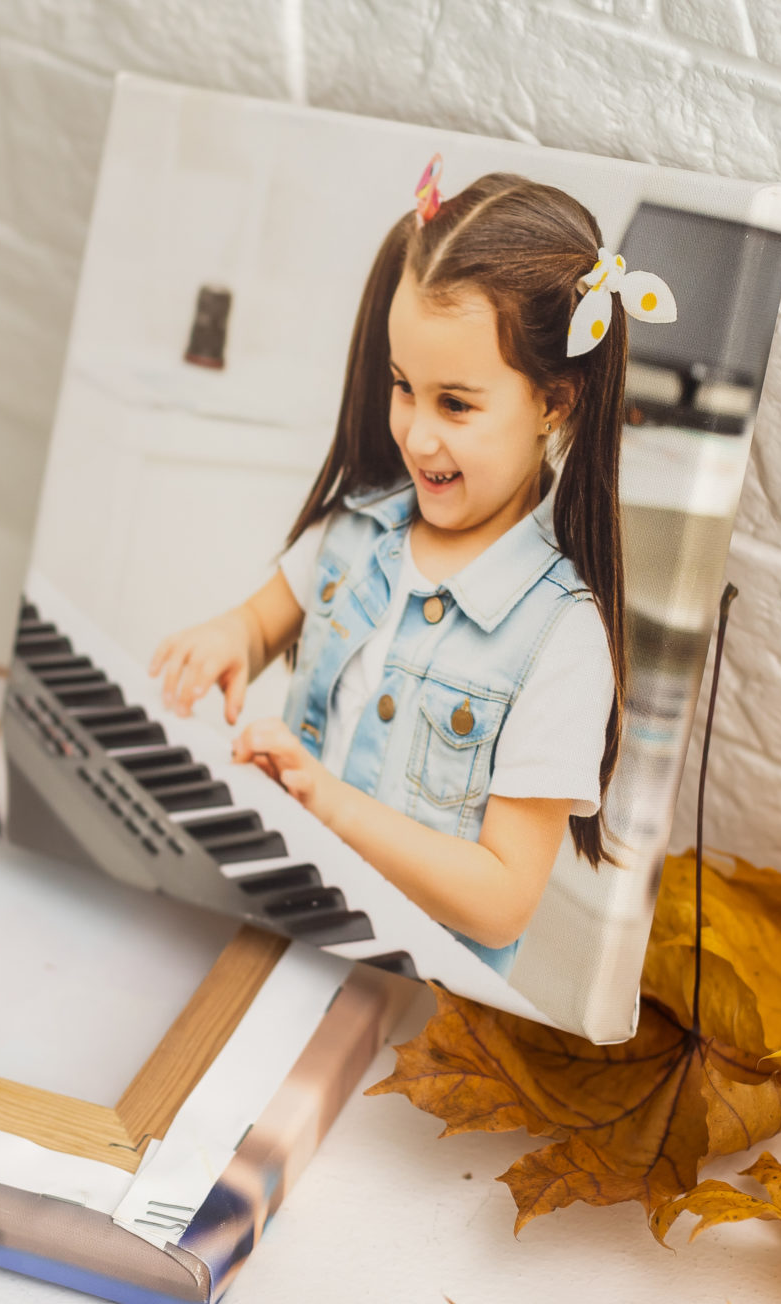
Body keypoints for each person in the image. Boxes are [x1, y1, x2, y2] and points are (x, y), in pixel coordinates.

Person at [147, 166, 641, 973]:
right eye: (403, 386)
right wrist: (227, 638)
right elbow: (260, 623)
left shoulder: (562, 638)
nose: (414, 434)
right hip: (286, 919)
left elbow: (502, 897)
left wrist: (328, 804)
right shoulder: (357, 531)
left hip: (408, 992)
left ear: (555, 400)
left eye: (456, 404)